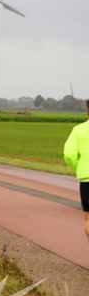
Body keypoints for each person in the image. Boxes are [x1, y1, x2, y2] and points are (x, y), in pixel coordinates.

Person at [63, 100, 89, 245]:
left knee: (88, 219)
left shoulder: (79, 130)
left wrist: (78, 167)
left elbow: (69, 155)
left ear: (87, 111)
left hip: (87, 178)